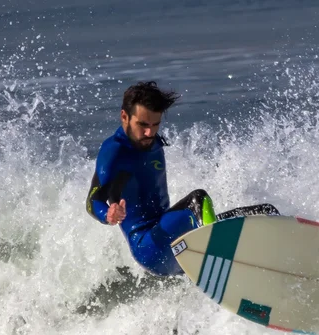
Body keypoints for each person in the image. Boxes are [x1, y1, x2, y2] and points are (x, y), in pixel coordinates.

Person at [86, 81, 278, 276]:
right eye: (142, 125)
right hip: (149, 246)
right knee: (198, 200)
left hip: (174, 238)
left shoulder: (152, 141)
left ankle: (279, 264)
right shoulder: (114, 151)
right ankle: (220, 263)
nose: (149, 132)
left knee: (263, 215)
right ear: (124, 117)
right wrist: (108, 214)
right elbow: (92, 202)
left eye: (155, 125)